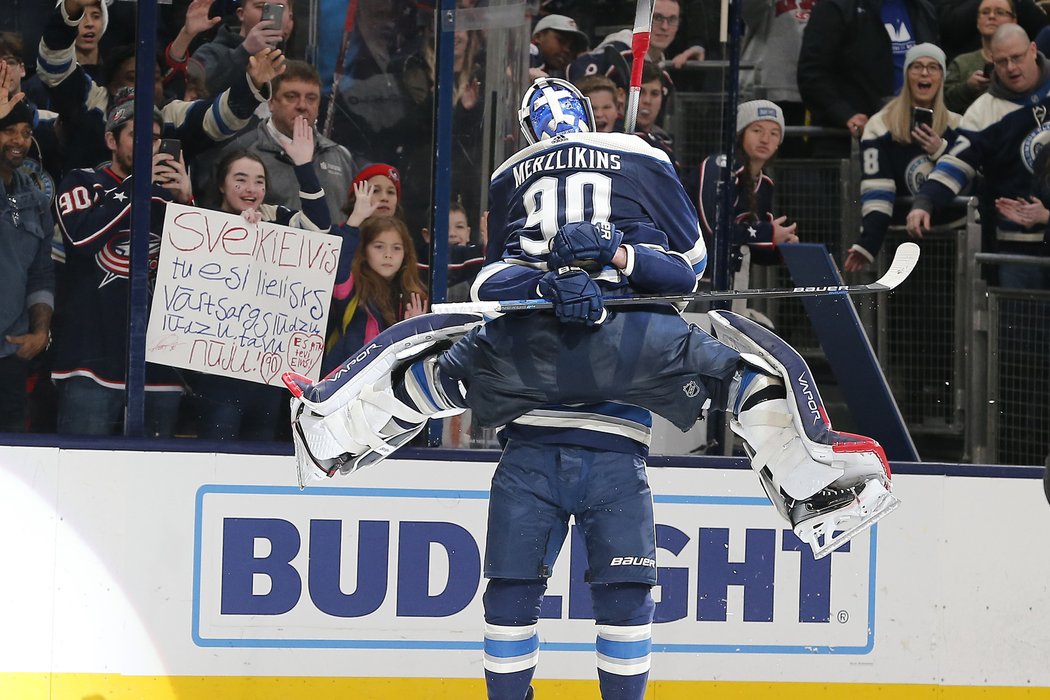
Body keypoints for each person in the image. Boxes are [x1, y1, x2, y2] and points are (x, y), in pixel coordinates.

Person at [287, 77, 900, 700]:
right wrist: (620, 259)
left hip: (526, 378)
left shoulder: (512, 171)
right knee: (739, 367)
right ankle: (812, 468)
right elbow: (690, 271)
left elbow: (487, 286)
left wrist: (547, 281)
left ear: (527, 130)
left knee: (438, 368)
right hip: (631, 365)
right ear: (587, 113)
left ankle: (335, 427)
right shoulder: (643, 155)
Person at [50, 91, 194, 436]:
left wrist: (188, 201)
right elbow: (81, 239)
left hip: (160, 370)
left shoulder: (170, 194)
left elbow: (201, 273)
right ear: (111, 140)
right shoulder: (82, 182)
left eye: (156, 137)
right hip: (90, 359)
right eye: (137, 136)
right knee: (77, 474)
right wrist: (138, 189)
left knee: (154, 483)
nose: (149, 145)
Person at [187, 115, 332, 441]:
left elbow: (319, 228)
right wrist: (236, 234)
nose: (251, 189)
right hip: (216, 378)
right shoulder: (202, 224)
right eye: (240, 180)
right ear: (221, 184)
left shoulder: (276, 217)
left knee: (259, 459)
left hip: (265, 376)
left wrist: (304, 166)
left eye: (259, 181)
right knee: (216, 459)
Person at [907, 24, 1050, 289]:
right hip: (1016, 243)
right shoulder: (982, 112)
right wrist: (925, 201)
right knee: (1020, 327)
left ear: (1033, 50)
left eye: (1017, 57)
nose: (1011, 68)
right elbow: (955, 163)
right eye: (1002, 61)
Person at [847, 43, 962, 271]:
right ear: (906, 74)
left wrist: (941, 151)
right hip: (900, 241)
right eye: (916, 66)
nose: (924, 73)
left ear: (942, 76)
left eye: (933, 67)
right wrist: (868, 242)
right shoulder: (880, 125)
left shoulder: (958, 125)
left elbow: (972, 181)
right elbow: (877, 189)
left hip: (951, 236)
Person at [209, 60, 359, 225]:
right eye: (291, 97)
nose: (302, 105)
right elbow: (214, 217)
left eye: (311, 98)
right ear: (271, 102)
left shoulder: (340, 156)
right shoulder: (240, 151)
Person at [797, 0, 938, 154]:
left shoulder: (923, 8)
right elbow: (812, 73)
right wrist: (845, 114)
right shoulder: (835, 6)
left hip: (912, 140)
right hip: (849, 143)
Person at [0, 82, 55, 433]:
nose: (19, 140)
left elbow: (41, 273)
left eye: (25, 132)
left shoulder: (35, 199)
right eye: (7, 130)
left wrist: (40, 331)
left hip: (10, 352)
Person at [697, 100, 798, 287]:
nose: (765, 139)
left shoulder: (765, 183)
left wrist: (781, 248)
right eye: (757, 130)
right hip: (696, 280)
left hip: (733, 283)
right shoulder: (721, 167)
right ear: (740, 133)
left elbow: (750, 244)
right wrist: (768, 233)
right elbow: (713, 227)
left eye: (774, 133)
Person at [322, 215, 428, 376]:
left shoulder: (414, 295)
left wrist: (414, 331)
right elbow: (338, 268)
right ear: (364, 251)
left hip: (389, 387)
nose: (388, 254)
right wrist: (353, 223)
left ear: (406, 254)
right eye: (379, 247)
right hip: (346, 385)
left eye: (396, 248)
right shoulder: (353, 288)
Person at [190, 0, 294, 98]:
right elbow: (201, 96)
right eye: (261, 6)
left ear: (289, 18)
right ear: (241, 14)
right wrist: (245, 50)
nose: (271, 17)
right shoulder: (210, 53)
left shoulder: (289, 66)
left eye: (279, 8)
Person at [943, 0, 1016, 113]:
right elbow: (943, 103)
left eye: (1000, 12)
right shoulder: (961, 63)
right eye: (985, 12)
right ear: (977, 22)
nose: (991, 16)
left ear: (1014, 21)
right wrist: (968, 87)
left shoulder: (1025, 59)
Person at [529, 14, 590, 81]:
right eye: (561, 41)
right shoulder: (524, 58)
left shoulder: (566, 74)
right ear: (538, 37)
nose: (567, 50)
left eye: (573, 47)